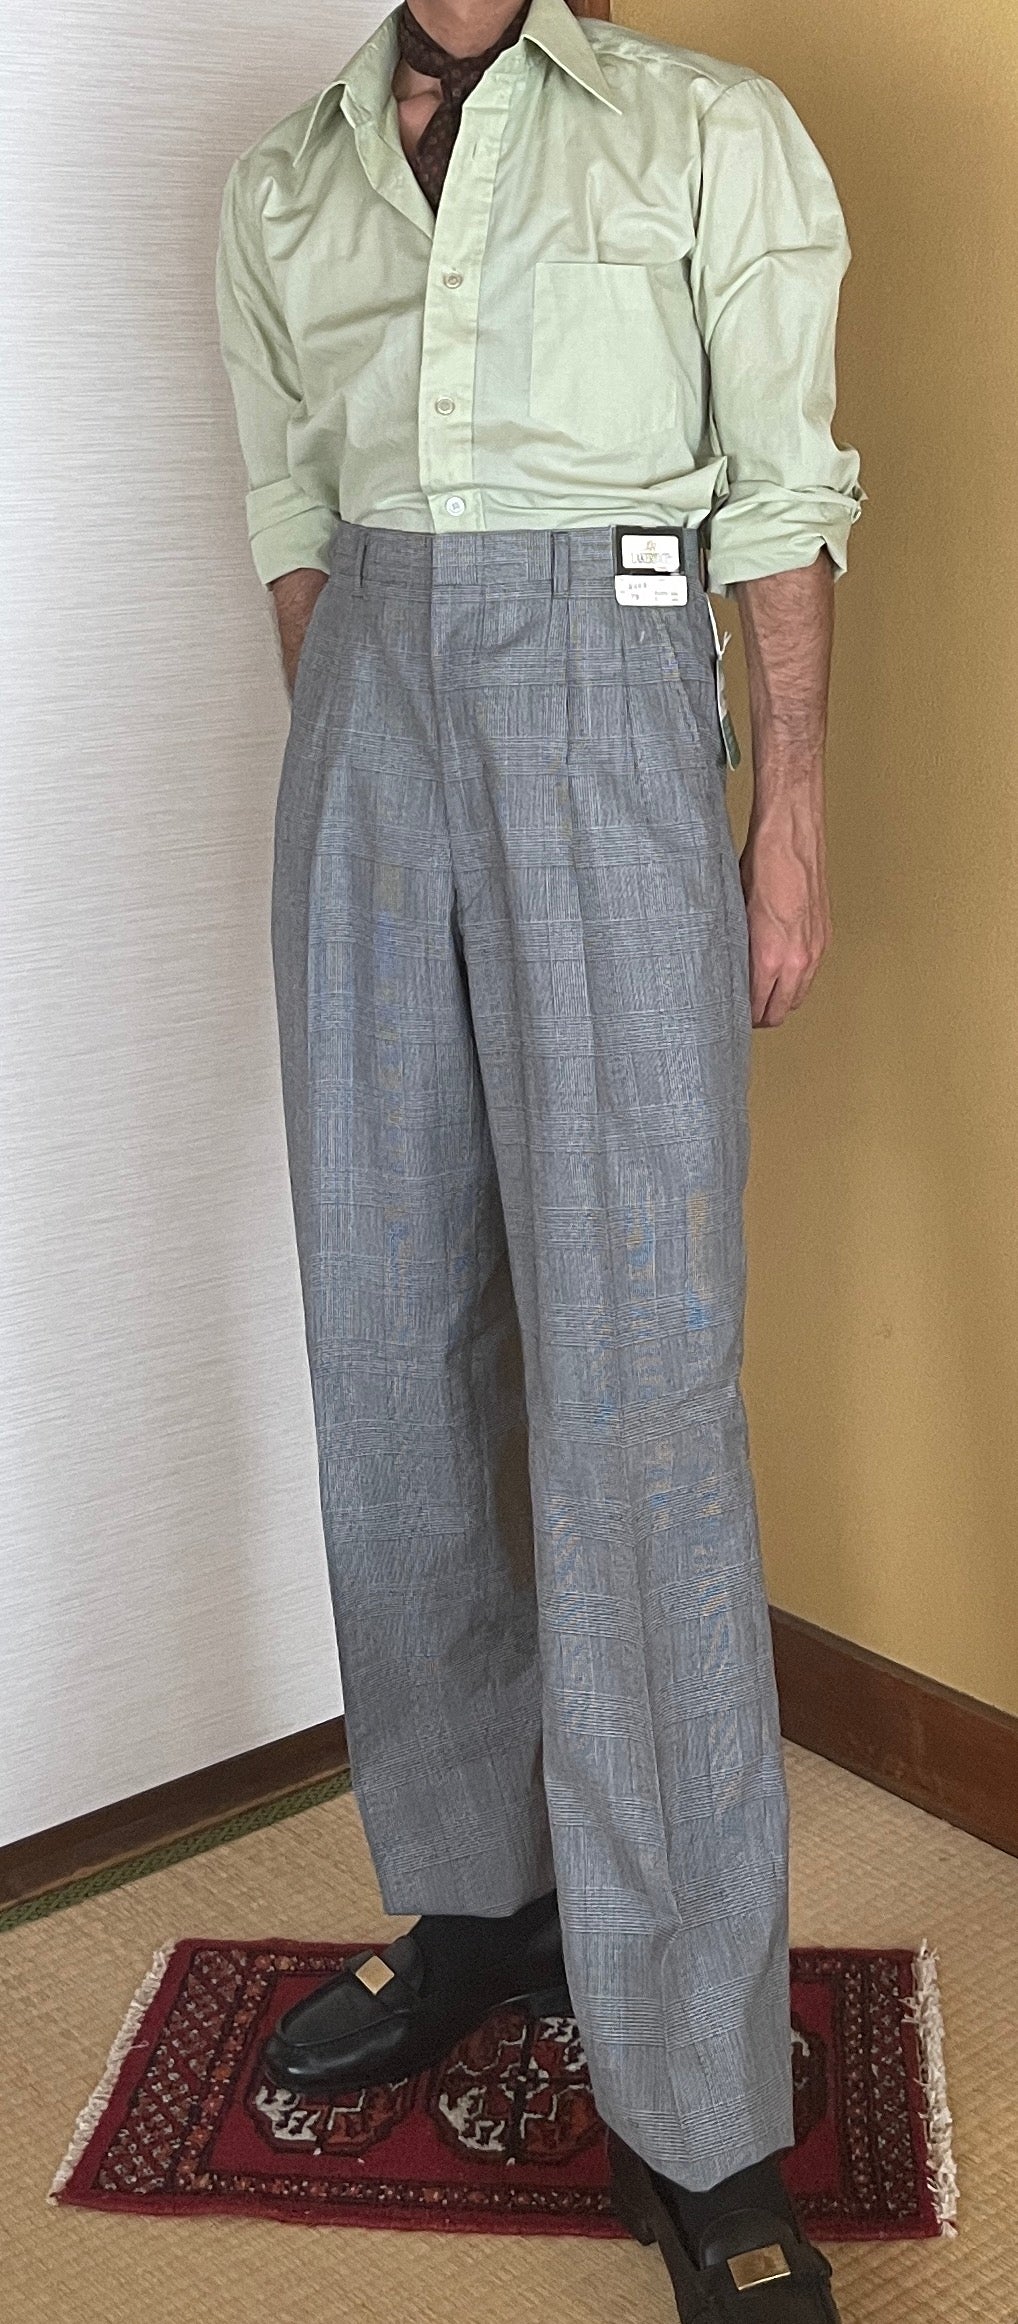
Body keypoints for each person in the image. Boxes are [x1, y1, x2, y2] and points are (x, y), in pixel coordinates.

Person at [215, 0, 863, 2311]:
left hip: (609, 694)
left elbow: (777, 485)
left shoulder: (704, 133)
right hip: (365, 719)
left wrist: (786, 805)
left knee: (635, 1392)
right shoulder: (286, 181)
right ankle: (481, 1893)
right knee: (388, 1350)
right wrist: (371, 755)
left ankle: (696, 2100)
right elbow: (291, 514)